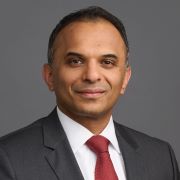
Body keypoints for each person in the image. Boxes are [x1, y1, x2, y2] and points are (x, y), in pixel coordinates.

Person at [0, 6, 179, 180]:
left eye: (107, 62)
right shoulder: (9, 159)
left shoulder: (161, 158)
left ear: (125, 78)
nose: (92, 76)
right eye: (76, 61)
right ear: (50, 76)